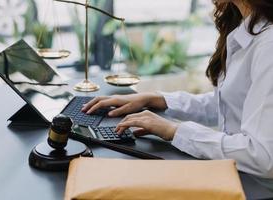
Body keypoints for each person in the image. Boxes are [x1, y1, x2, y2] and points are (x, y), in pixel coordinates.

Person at [82, 0, 273, 178]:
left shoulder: (268, 44)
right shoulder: (245, 27)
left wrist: (175, 130)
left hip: (255, 185)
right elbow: (231, 105)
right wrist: (157, 99)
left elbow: (264, 157)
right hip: (237, 173)